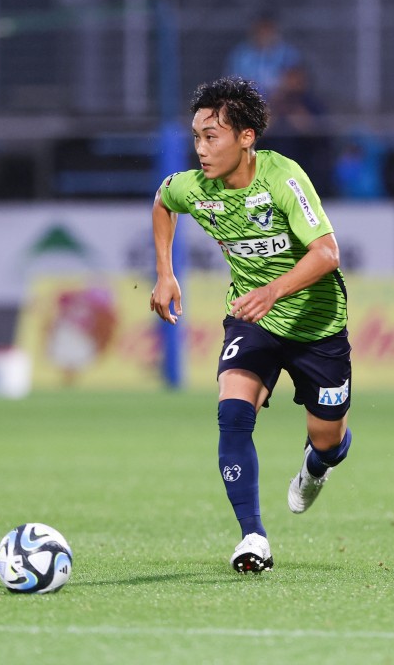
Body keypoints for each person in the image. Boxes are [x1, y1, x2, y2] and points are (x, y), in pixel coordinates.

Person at [150, 77, 353, 574]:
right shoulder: (194, 188)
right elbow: (162, 200)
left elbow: (326, 253)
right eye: (196, 136)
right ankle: (253, 537)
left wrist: (272, 291)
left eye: (212, 136)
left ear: (246, 137)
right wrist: (165, 273)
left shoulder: (283, 178)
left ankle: (316, 466)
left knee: (329, 441)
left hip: (317, 324)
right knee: (232, 415)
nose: (201, 148)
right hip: (252, 321)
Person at [223, 11, 303, 98]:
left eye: (267, 29)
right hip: (248, 100)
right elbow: (232, 82)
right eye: (260, 29)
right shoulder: (240, 54)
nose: (264, 33)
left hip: (280, 101)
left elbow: (296, 83)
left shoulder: (288, 53)